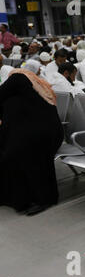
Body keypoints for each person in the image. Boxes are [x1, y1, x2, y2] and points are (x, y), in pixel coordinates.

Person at [0, 69, 63, 215]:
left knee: (16, 152)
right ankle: (13, 196)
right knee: (8, 149)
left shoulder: (17, 78)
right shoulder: (27, 88)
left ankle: (41, 199)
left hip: (42, 135)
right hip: (39, 132)